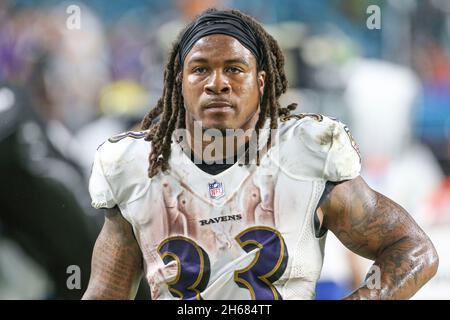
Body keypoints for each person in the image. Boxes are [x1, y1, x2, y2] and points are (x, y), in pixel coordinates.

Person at [83, 9, 438, 300]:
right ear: (179, 82)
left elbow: (412, 249)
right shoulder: (136, 168)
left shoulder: (305, 154)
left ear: (262, 82)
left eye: (234, 69)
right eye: (200, 69)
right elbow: (105, 295)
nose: (217, 82)